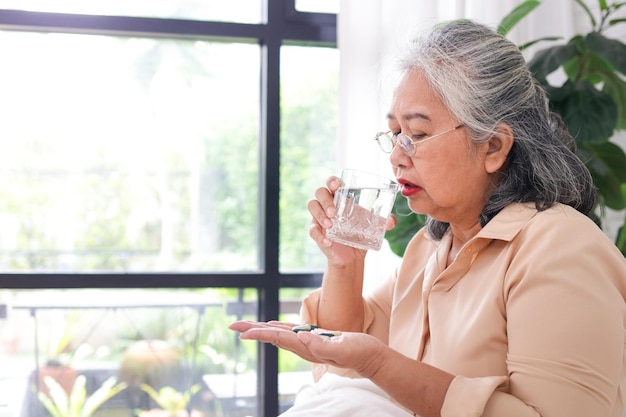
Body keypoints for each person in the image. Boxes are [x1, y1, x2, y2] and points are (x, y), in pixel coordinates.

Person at [229, 19, 626, 417]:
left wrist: (379, 364)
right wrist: (344, 263)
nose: (397, 155)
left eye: (417, 135)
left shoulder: (560, 246)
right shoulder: (429, 250)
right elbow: (346, 358)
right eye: (395, 133)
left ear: (493, 146)